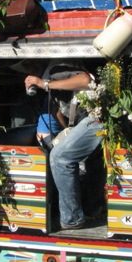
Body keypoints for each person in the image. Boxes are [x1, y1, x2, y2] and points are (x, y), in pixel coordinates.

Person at [25, 60, 103, 230]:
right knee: (90, 163)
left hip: (96, 117)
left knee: (59, 157)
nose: (28, 72)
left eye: (29, 66)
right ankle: (92, 210)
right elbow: (56, 109)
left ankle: (72, 218)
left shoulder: (55, 69)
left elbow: (85, 80)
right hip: (88, 120)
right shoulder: (51, 79)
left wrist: (44, 83)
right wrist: (68, 129)